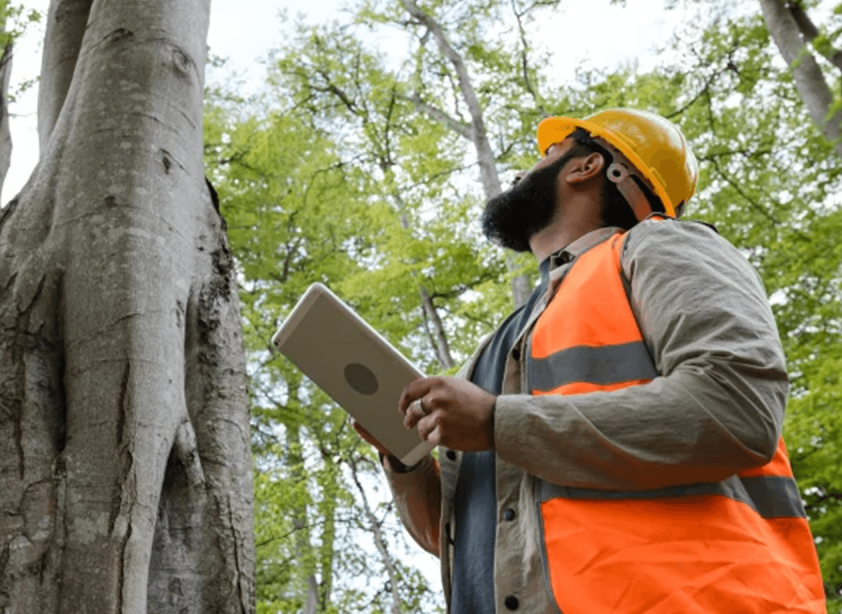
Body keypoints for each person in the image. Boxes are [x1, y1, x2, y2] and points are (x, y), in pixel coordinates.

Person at [353, 108, 827, 613]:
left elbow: (736, 408)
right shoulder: (494, 349)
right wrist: (404, 462)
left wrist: (496, 421)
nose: (522, 171)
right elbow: (467, 537)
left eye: (550, 153)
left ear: (588, 167)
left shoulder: (658, 245)